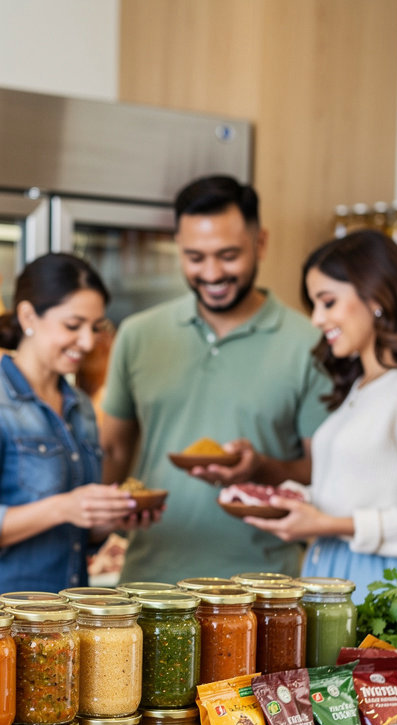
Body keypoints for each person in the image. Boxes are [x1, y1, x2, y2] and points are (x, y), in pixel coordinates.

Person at [100, 174, 331, 581]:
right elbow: (114, 453)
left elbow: (322, 469)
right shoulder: (138, 335)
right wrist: (97, 522)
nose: (211, 273)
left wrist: (259, 468)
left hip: (261, 589)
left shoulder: (311, 344)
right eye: (195, 257)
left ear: (260, 244)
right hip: (148, 583)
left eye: (228, 255)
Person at [245, 229, 397, 600]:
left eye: (328, 302)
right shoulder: (360, 387)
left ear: (375, 295)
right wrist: (293, 498)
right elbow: (357, 491)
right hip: (330, 569)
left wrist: (328, 524)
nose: (316, 319)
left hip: (386, 585)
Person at [0, 253, 137, 598]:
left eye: (95, 327)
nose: (88, 342)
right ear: (28, 315)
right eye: (73, 326)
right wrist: (62, 506)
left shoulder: (83, 407)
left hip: (66, 616)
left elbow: (77, 534)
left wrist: (111, 518)